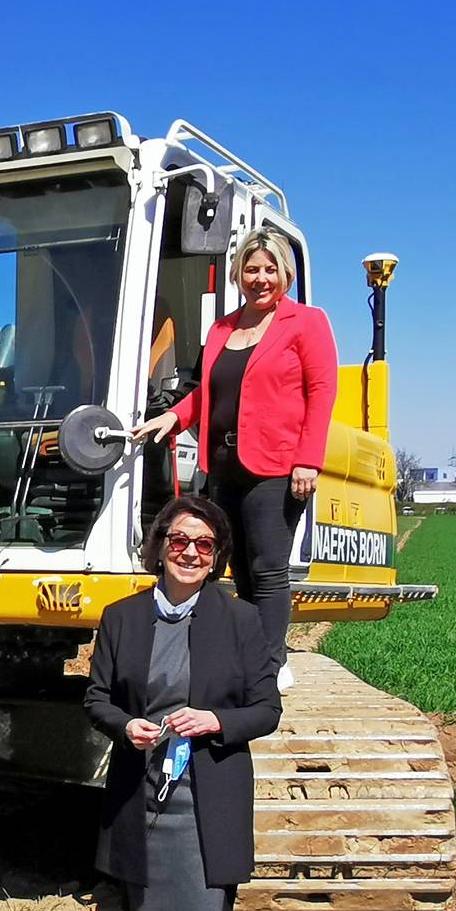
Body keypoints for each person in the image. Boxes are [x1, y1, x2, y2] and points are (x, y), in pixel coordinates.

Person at [82, 495, 281, 911]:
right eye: (179, 541)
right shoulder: (122, 618)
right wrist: (125, 727)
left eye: (204, 544)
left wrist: (216, 720)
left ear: (217, 554)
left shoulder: (241, 621)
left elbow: (266, 710)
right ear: (160, 546)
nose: (191, 553)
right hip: (143, 788)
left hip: (206, 788)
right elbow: (97, 699)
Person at [128, 227, 337, 679]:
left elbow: (322, 392)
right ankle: (249, 655)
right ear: (238, 274)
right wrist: (174, 418)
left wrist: (308, 458)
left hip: (277, 467)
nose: (260, 278)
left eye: (270, 269)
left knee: (266, 568)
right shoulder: (222, 328)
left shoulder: (306, 322)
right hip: (223, 465)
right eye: (251, 269)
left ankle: (270, 664)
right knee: (236, 567)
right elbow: (211, 391)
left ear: (285, 274)